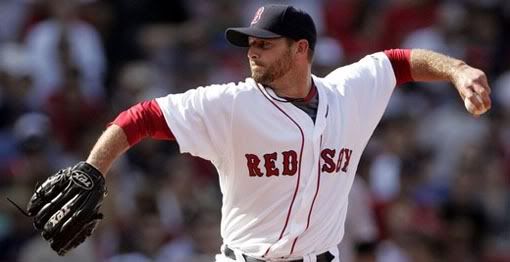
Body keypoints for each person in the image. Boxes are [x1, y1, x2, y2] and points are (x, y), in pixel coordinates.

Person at [28, 4, 492, 262]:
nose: (254, 53)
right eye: (251, 44)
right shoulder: (232, 105)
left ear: (301, 49)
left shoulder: (349, 93)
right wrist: (92, 169)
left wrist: (457, 69)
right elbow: (141, 117)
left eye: (266, 45)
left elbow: (397, 62)